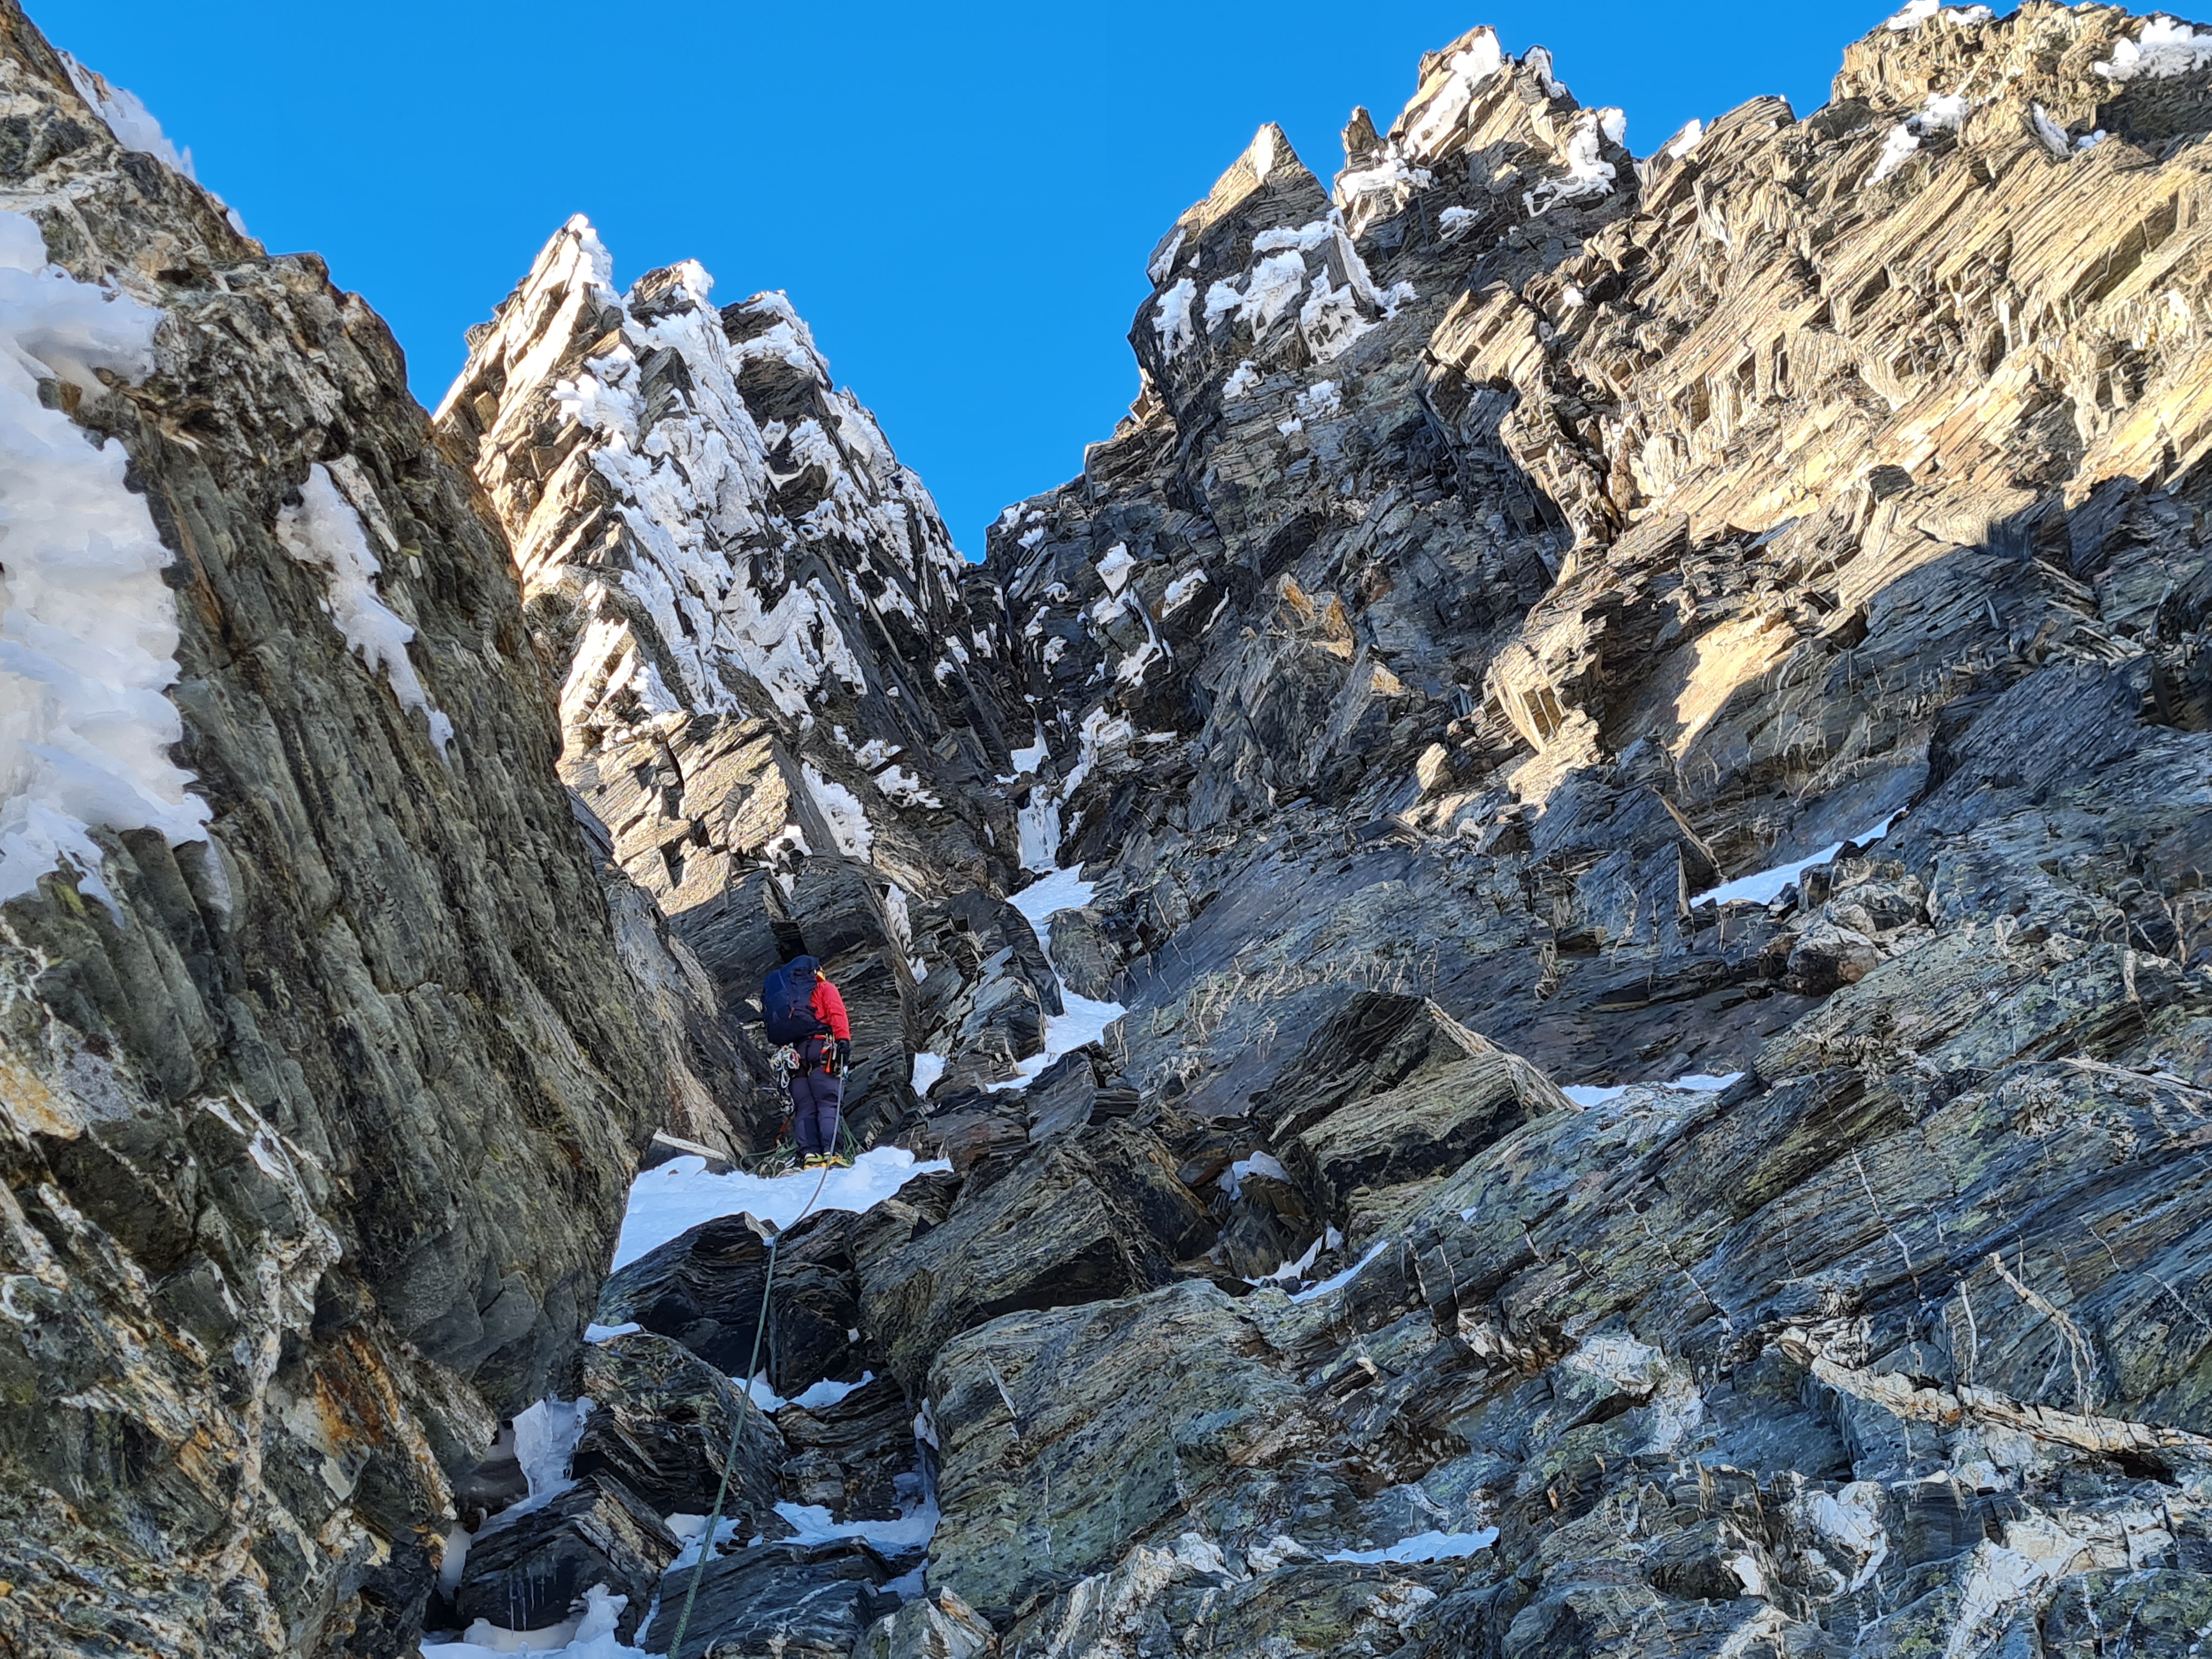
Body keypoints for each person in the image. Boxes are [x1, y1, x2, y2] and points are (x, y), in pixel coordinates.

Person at [762, 945, 851, 1166]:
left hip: (795, 1057)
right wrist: (844, 1041)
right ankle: (833, 1153)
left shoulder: (791, 999)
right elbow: (836, 1013)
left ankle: (810, 1154)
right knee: (828, 1102)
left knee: (805, 1106)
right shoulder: (824, 989)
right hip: (822, 1050)